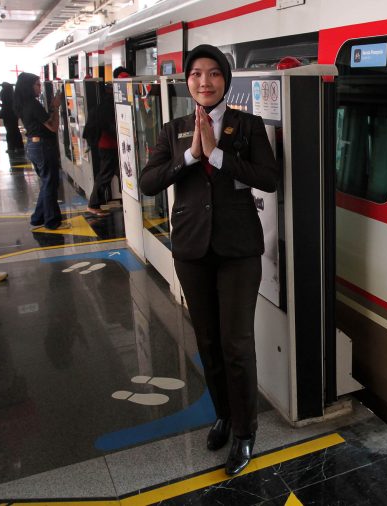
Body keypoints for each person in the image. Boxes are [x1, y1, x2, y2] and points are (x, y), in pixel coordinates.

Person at [139, 45, 278, 476]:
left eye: (214, 73)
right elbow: (148, 182)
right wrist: (191, 156)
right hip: (192, 250)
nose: (205, 81)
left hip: (238, 250)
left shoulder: (248, 126)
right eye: (197, 73)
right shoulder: (174, 130)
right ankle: (224, 415)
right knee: (208, 341)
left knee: (236, 343)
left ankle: (245, 432)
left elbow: (269, 178)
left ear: (226, 80)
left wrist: (217, 154)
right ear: (188, 81)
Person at [14, 73, 70, 231]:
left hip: (34, 146)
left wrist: (52, 108)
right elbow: (52, 127)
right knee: (50, 183)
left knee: (47, 182)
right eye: (37, 85)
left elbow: (45, 121)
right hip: (42, 147)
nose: (40, 88)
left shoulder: (23, 104)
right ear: (29, 87)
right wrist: (56, 107)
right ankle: (52, 221)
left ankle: (38, 218)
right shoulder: (33, 104)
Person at [86, 81, 121, 216]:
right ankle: (93, 204)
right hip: (109, 145)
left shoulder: (103, 104)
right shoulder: (109, 105)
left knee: (117, 172)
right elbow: (111, 127)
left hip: (107, 145)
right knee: (105, 175)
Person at [0, 82, 24, 154]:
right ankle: (19, 147)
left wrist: (1, 106)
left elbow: (6, 104)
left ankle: (11, 147)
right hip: (13, 114)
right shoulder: (12, 93)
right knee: (15, 130)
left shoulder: (3, 92)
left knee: (9, 131)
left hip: (7, 115)